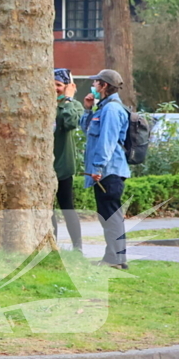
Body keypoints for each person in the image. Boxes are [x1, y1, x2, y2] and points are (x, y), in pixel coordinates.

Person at [81, 69, 131, 270]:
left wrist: (98, 168)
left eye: (97, 82)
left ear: (104, 86)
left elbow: (107, 142)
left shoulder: (111, 110)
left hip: (109, 172)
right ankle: (115, 258)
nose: (93, 84)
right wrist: (87, 109)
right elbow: (88, 130)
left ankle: (116, 259)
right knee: (109, 216)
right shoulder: (103, 108)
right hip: (106, 171)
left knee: (111, 216)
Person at [53, 69, 85, 251]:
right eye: (53, 84)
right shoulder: (41, 104)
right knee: (47, 211)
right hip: (43, 168)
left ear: (67, 87)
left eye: (59, 85)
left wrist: (67, 99)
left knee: (67, 208)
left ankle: (77, 247)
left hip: (63, 166)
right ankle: (52, 246)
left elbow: (70, 122)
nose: (55, 88)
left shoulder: (74, 105)